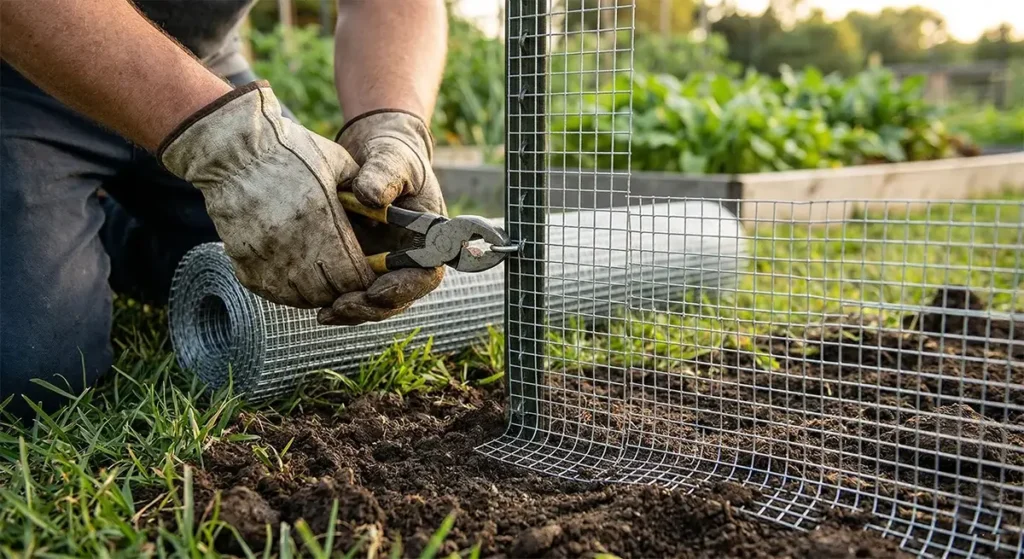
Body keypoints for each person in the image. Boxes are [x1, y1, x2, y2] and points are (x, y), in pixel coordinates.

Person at [0, 0, 449, 421]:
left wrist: (393, 124)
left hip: (204, 71)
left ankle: (109, 231)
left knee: (333, 249)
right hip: (22, 74)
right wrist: (231, 144)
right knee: (32, 370)